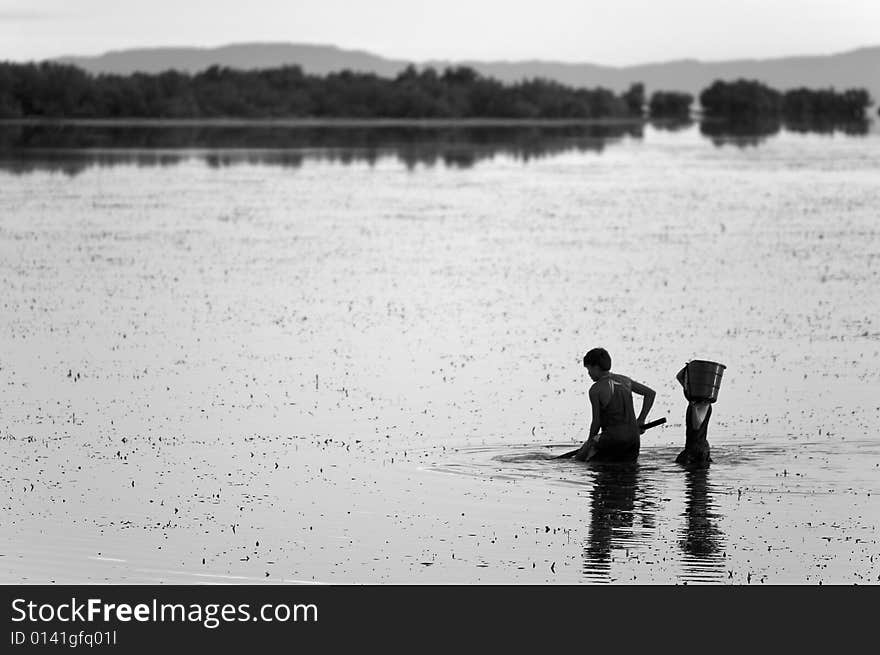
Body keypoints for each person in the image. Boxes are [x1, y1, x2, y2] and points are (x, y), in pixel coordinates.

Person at [574, 348, 656, 462]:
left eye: (589, 369)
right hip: (633, 439)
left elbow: (596, 422)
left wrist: (589, 443)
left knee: (580, 461)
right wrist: (641, 420)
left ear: (596, 368)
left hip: (611, 439)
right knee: (630, 473)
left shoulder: (595, 390)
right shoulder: (625, 380)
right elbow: (650, 394)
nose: (588, 374)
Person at [675, 364, 712, 465]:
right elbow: (679, 377)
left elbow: (697, 426)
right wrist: (689, 367)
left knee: (695, 478)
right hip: (692, 447)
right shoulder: (694, 396)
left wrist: (694, 407)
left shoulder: (704, 403)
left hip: (698, 451)